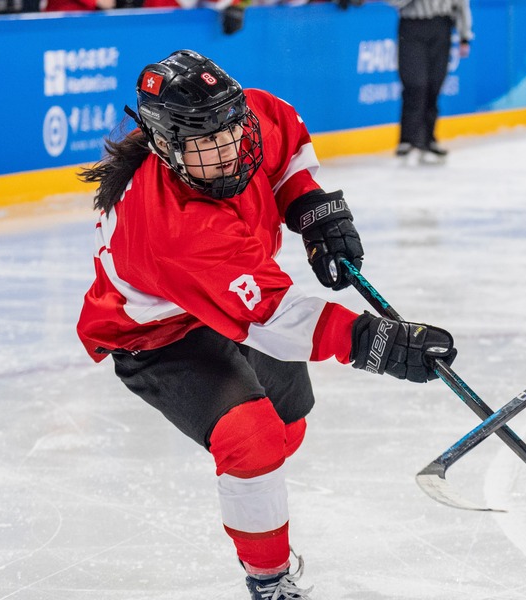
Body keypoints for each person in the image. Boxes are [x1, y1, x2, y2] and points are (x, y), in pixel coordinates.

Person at [76, 50, 457, 600]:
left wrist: (313, 211)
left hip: (235, 290)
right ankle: (269, 580)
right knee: (250, 441)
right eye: (205, 144)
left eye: (232, 132)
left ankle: (252, 489)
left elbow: (287, 149)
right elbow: (276, 318)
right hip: (158, 334)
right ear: (166, 147)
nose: (229, 151)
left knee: (288, 427)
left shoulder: (244, 117)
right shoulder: (170, 229)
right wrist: (377, 343)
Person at [388, 0, 472, 163]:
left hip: (441, 26)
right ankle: (408, 140)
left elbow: (461, 4)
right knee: (415, 83)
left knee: (435, 84)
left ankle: (428, 139)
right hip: (412, 25)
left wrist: (465, 36)